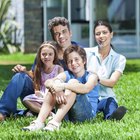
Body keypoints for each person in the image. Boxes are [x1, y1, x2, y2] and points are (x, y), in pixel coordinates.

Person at [0, 16, 84, 121]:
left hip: (65, 95)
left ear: (70, 33)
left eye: (64, 31)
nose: (61, 36)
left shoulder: (79, 52)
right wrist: (24, 71)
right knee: (19, 77)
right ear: (53, 37)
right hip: (40, 93)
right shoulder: (47, 52)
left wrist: (60, 88)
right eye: (57, 33)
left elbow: (83, 78)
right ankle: (3, 112)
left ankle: (39, 111)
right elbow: (36, 75)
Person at [22, 45, 99, 131]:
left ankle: (54, 123)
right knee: (54, 85)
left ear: (84, 61)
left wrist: (62, 86)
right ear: (66, 64)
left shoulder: (92, 76)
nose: (73, 63)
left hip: (86, 115)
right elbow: (48, 82)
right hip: (67, 115)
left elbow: (86, 88)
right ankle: (39, 122)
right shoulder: (67, 74)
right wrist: (56, 88)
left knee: (72, 83)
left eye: (76, 59)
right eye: (70, 61)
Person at [86, 20, 127, 120]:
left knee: (110, 102)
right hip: (89, 97)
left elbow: (112, 82)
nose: (101, 36)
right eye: (98, 34)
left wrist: (96, 79)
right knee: (86, 110)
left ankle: (111, 117)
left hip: (106, 97)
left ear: (111, 34)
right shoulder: (86, 53)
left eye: (105, 32)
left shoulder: (119, 58)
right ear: (94, 36)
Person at [22, 41, 64, 115]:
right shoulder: (38, 69)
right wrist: (36, 90)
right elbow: (36, 81)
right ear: (40, 56)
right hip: (41, 95)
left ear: (54, 55)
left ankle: (37, 111)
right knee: (25, 100)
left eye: (50, 54)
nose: (47, 57)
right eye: (44, 54)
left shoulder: (58, 69)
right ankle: (49, 114)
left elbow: (61, 83)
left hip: (53, 95)